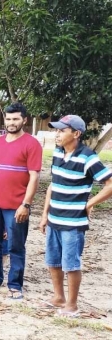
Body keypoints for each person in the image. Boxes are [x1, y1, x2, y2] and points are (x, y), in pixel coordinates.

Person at [39, 115, 112, 317]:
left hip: (73, 222)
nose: (57, 134)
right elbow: (52, 186)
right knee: (53, 261)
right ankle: (58, 297)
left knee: (71, 264)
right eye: (56, 130)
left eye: (62, 130)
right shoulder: (57, 153)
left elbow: (110, 184)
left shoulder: (88, 158)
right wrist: (45, 214)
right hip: (54, 219)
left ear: (76, 134)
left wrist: (89, 203)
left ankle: (71, 304)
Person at [0, 103, 43, 299]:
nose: (11, 123)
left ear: (24, 120)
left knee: (16, 245)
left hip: (16, 206)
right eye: (8, 119)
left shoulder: (32, 144)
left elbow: (34, 177)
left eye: (15, 119)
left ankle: (15, 284)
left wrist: (26, 204)